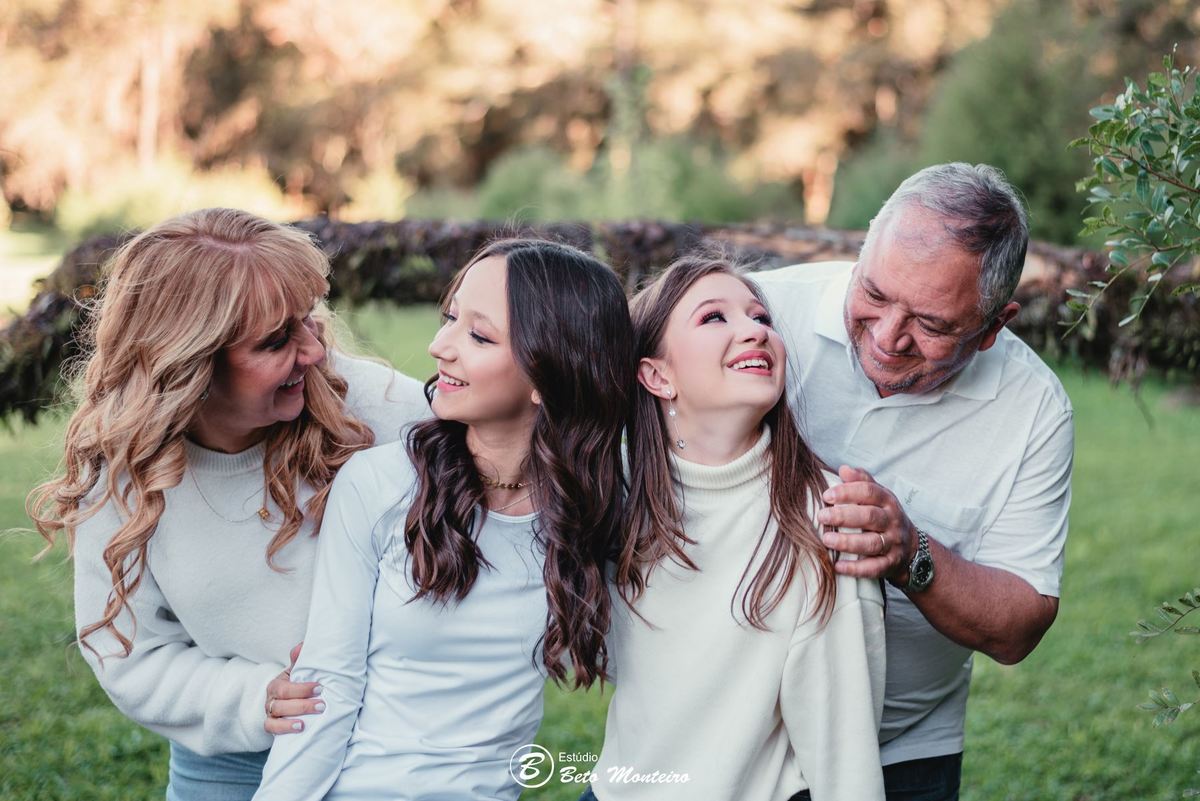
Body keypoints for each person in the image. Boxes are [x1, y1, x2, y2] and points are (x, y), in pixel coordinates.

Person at [27, 208, 429, 801]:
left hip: (395, 750)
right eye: (276, 341)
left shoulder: (384, 411)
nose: (314, 351)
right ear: (188, 365)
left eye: (308, 321)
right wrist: (257, 696)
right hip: (230, 769)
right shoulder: (122, 470)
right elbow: (130, 655)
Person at [251, 238, 635, 801]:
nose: (438, 346)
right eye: (451, 318)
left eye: (478, 335)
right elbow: (328, 679)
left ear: (548, 374)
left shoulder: (599, 502)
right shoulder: (381, 484)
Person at [752, 162, 1074, 801]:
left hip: (899, 751)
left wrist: (909, 553)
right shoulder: (756, 314)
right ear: (866, 242)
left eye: (931, 325)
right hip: (721, 731)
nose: (887, 338)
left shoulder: (1035, 409)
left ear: (993, 327)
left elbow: (1018, 626)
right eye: (873, 293)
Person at [584, 254, 886, 801]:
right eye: (714, 318)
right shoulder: (613, 493)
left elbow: (844, 750)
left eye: (761, 318)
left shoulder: (825, 517)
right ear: (657, 375)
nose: (755, 332)